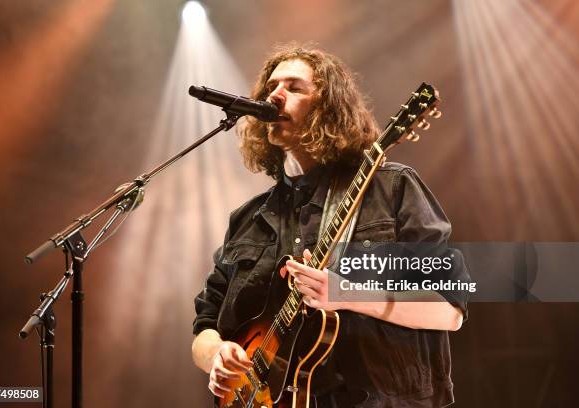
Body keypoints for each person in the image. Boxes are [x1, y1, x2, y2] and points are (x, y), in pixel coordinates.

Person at [192, 44, 469, 407]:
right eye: (271, 86)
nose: (275, 95)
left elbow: (449, 310)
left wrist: (347, 293)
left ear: (328, 107)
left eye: (293, 87)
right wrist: (216, 356)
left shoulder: (390, 188)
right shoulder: (248, 219)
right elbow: (206, 322)